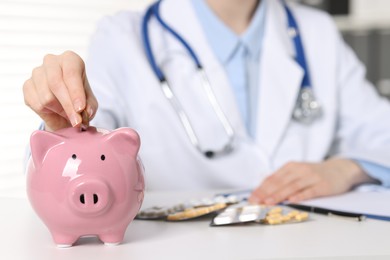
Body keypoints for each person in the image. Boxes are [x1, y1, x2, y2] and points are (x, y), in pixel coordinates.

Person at [23, 0, 390, 205]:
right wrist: (64, 128)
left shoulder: (317, 33)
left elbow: (381, 134)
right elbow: (84, 164)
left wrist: (349, 168)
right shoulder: (124, 38)